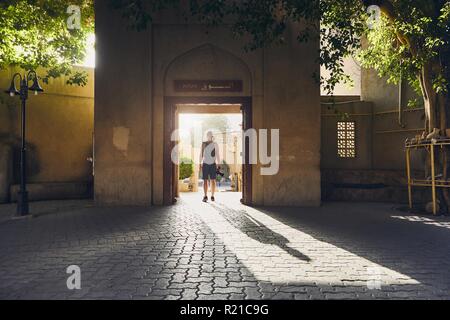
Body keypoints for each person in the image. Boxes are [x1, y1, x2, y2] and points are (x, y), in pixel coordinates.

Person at [199, 131, 221, 202]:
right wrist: (200, 163)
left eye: (210, 135)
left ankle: (212, 195)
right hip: (205, 164)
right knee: (205, 180)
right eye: (208, 135)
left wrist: (218, 163)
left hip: (213, 164)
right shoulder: (203, 144)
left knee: (213, 180)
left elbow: (217, 154)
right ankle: (205, 196)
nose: (209, 136)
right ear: (207, 136)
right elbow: (201, 154)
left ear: (212, 136)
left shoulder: (215, 144)